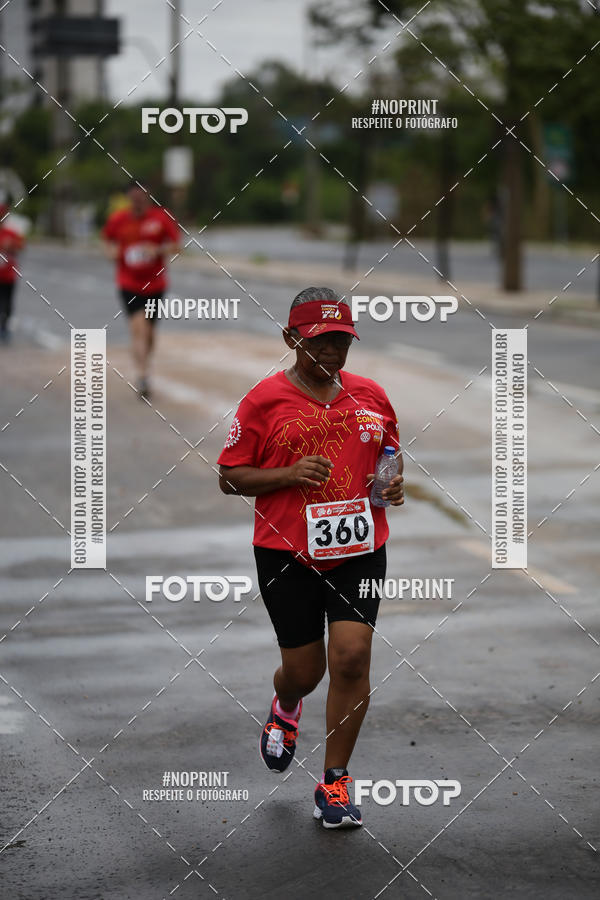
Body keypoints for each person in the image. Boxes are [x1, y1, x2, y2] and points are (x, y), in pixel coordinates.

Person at [217, 286, 404, 829]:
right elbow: (229, 476)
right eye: (319, 341)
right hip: (285, 552)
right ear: (291, 338)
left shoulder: (371, 395)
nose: (331, 351)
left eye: (341, 340)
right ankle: (285, 705)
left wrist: (392, 484)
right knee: (305, 671)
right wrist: (288, 474)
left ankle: (335, 782)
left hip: (360, 549)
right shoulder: (264, 400)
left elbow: (389, 454)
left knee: (351, 658)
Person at [102, 182, 180, 400]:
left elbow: (176, 246)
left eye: (141, 196)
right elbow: (107, 240)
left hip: (156, 285)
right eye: (134, 197)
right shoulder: (119, 219)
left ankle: (145, 361)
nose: (138, 201)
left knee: (150, 333)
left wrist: (157, 249)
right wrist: (111, 253)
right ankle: (143, 375)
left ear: (147, 196)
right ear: (129, 197)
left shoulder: (161, 217)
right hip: (128, 283)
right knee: (138, 328)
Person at [0, 204, 25, 343]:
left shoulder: (11, 233)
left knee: (7, 302)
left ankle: (4, 327)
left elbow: (21, 247)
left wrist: (11, 245)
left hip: (8, 274)